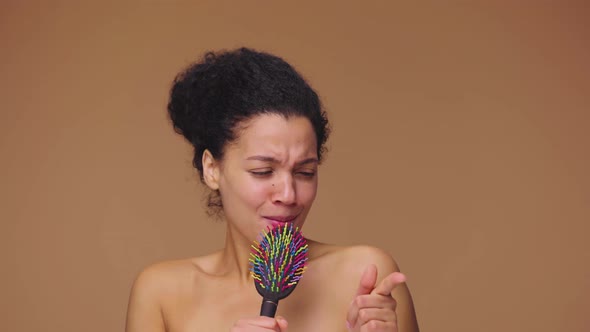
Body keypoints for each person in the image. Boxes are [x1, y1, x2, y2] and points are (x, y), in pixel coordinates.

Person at [125, 47, 419, 332]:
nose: (289, 195)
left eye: (305, 172)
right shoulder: (161, 294)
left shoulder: (366, 278)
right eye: (263, 172)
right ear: (212, 169)